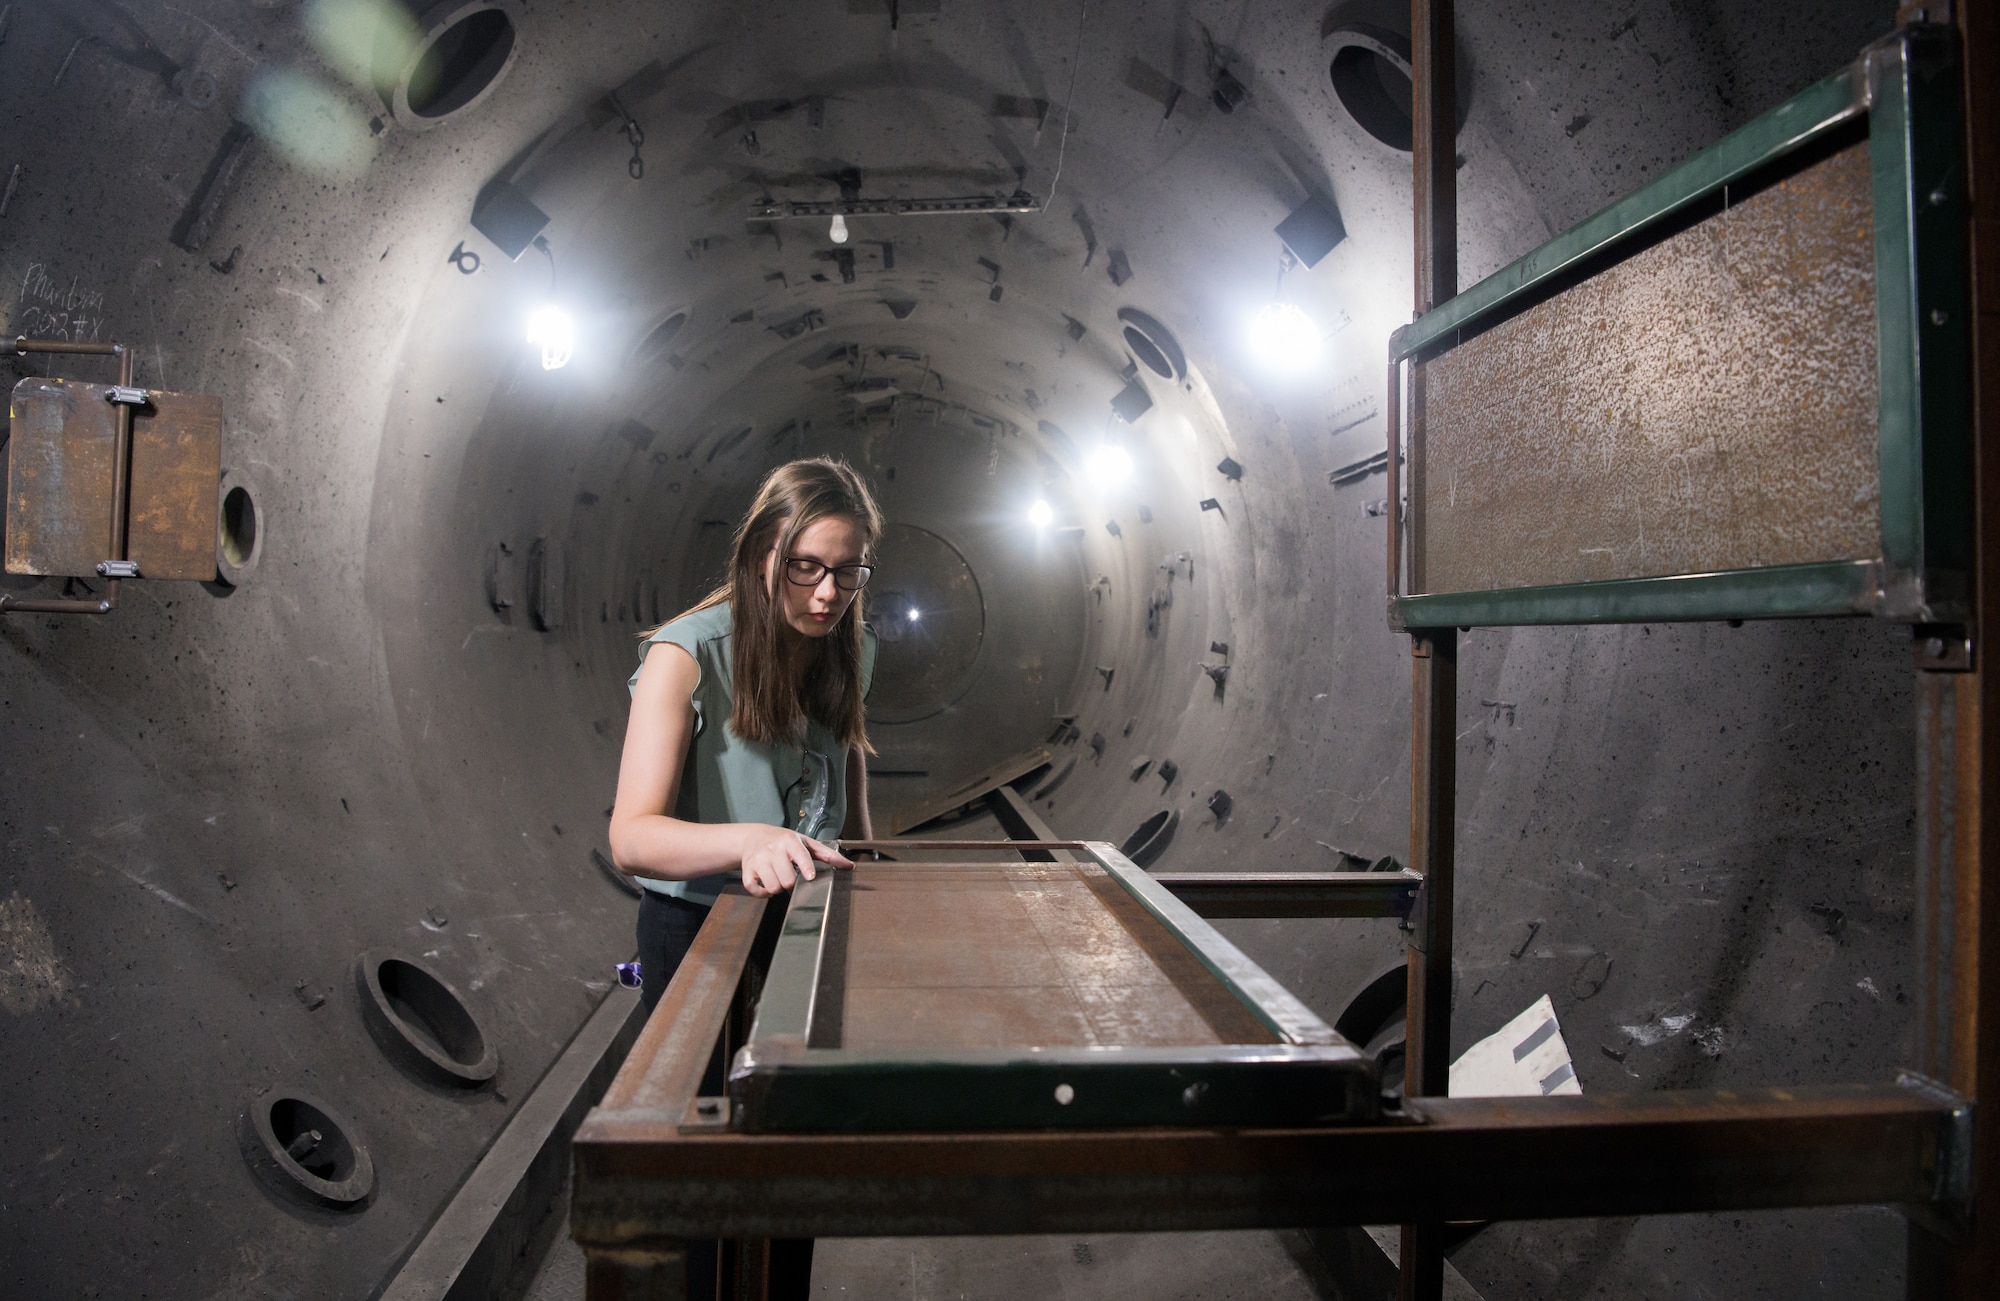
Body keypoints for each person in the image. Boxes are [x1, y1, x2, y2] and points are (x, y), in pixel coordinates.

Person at [610, 456, 883, 1013]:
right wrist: (749, 840)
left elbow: (843, 744)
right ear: (762, 556)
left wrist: (863, 849)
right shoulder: (684, 655)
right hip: (698, 925)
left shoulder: (855, 644)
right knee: (709, 1095)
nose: (828, 593)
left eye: (847, 571)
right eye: (804, 566)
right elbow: (631, 840)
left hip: (808, 908)